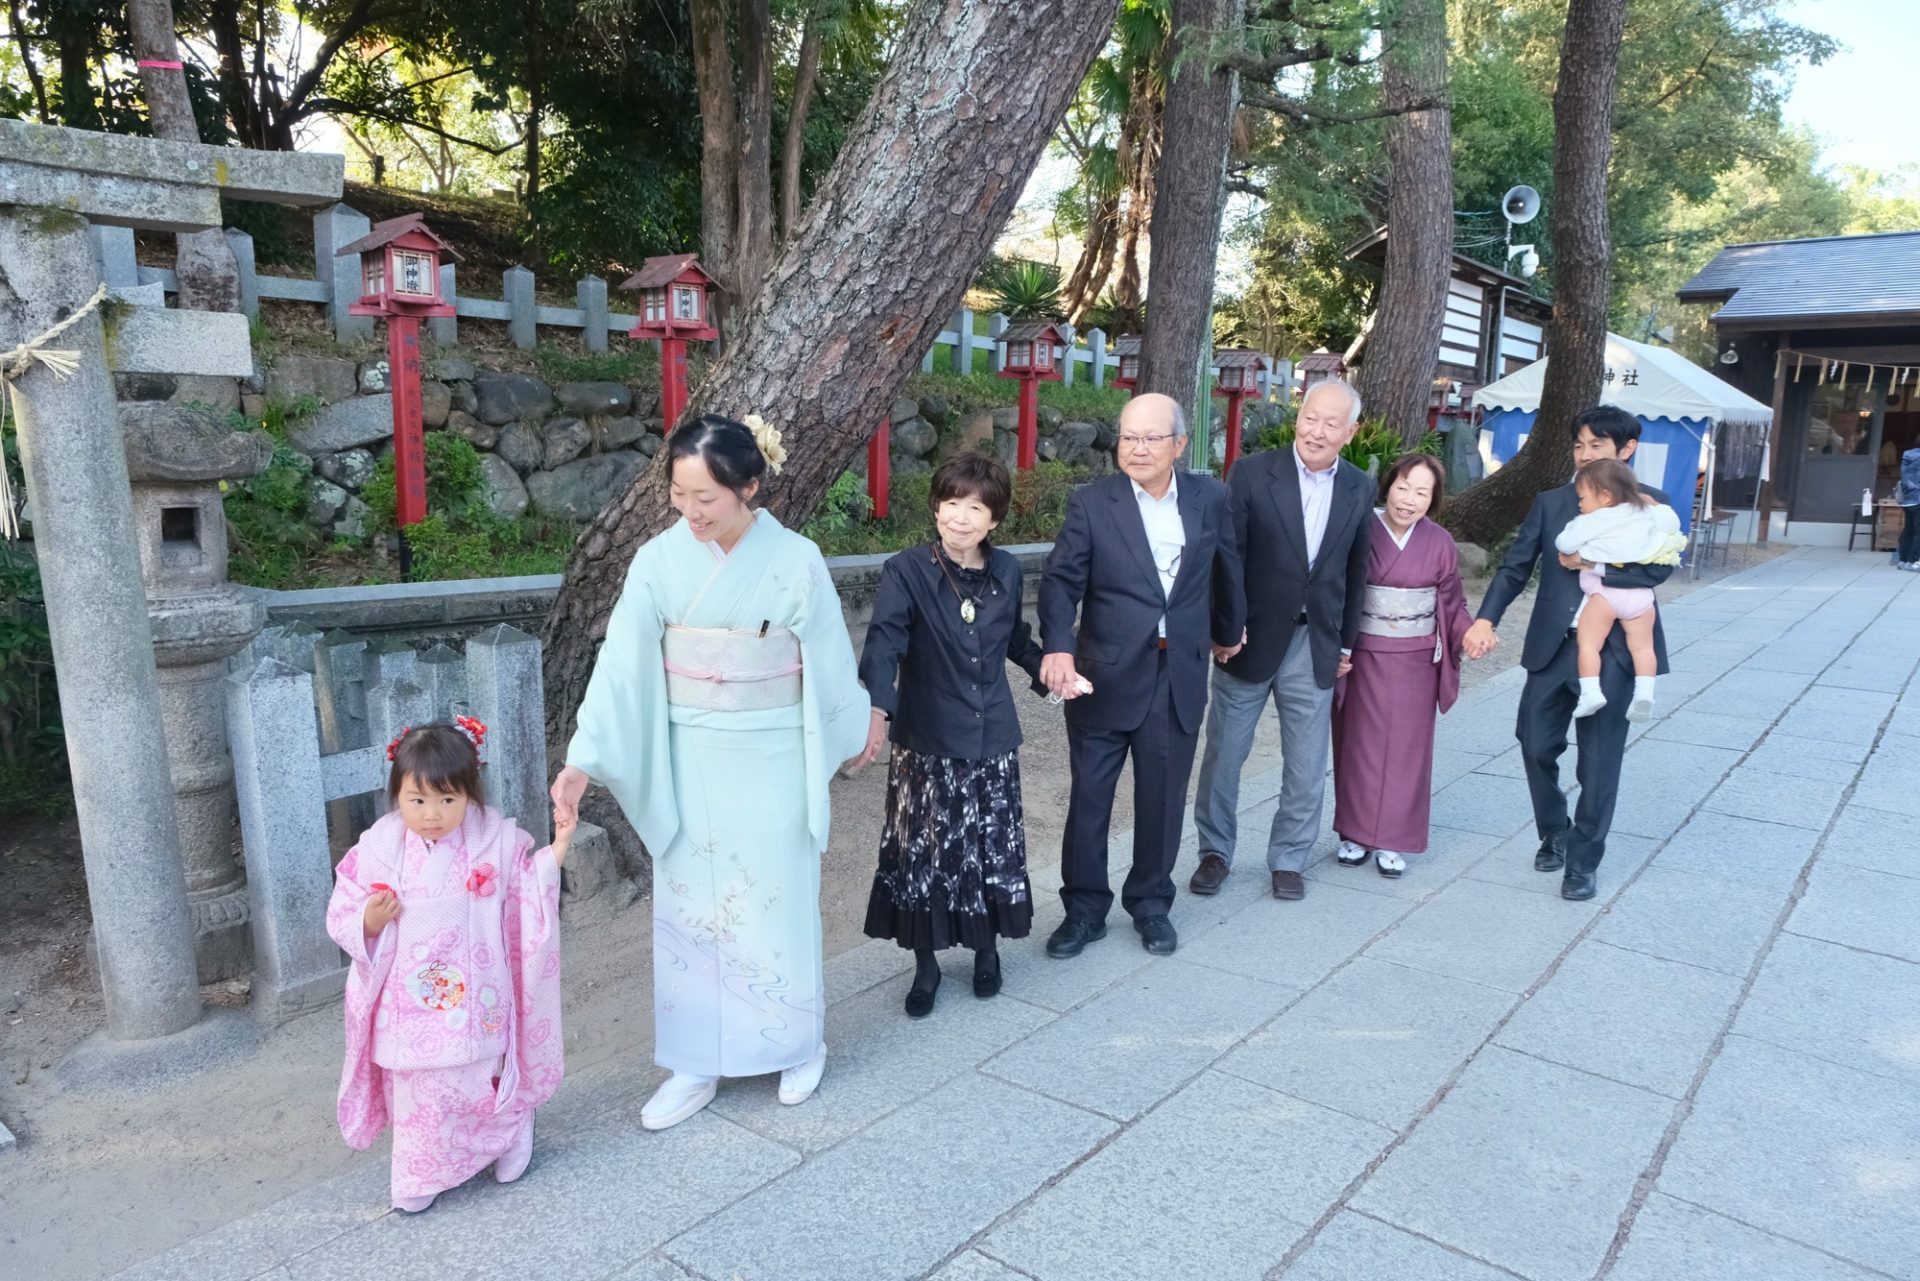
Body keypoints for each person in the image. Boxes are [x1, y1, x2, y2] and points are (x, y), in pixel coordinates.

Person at [549, 414, 870, 1131]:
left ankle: (797, 1041)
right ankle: (695, 1059)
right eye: (679, 494)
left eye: (707, 498)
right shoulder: (659, 562)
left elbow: (825, 662)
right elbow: (624, 668)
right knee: (693, 911)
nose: (690, 512)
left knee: (777, 902)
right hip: (690, 756)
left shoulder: (796, 559)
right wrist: (583, 761)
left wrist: (855, 724)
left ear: (750, 486)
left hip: (774, 753)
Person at [326, 719, 575, 1214]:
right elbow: (344, 908)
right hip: (408, 1003)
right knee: (420, 1093)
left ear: (470, 795)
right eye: (417, 801)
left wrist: (559, 847)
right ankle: (421, 1170)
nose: (432, 815)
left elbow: (528, 894)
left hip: (476, 992)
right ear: (396, 795)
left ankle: (509, 1128)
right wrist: (368, 922)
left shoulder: (497, 844)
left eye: (448, 800)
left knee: (475, 1078)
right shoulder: (376, 849)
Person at [1038, 392, 1243, 959]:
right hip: (1103, 673)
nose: (1138, 448)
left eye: (1152, 438)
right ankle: (1083, 910)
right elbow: (1060, 581)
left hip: (1176, 673)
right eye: (1129, 436)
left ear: (1178, 445)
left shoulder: (1210, 498)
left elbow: (1226, 569)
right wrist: (1057, 648)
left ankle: (1151, 905)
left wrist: (1230, 632)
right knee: (1090, 799)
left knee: (1162, 797)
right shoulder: (1092, 502)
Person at [857, 453, 1053, 1018]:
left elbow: (1015, 640)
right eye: (950, 504)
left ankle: (986, 950)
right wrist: (876, 710)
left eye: (975, 507)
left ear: (995, 518)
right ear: (935, 508)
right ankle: (926, 966)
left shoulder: (1009, 571)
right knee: (926, 854)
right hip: (927, 740)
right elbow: (884, 644)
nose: (960, 517)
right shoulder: (907, 571)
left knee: (987, 850)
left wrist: (1051, 673)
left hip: (992, 737)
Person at [1463, 405, 1674, 901]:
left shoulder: (1654, 505)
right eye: (1578, 446)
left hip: (1617, 652)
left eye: (1596, 447)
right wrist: (1485, 617)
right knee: (1535, 744)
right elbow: (1516, 566)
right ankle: (1553, 829)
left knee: (1599, 762)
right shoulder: (1554, 501)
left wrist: (1593, 561)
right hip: (1554, 648)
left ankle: (1582, 861)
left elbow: (1656, 571)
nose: (1583, 456)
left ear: (1626, 450)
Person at [1189, 379, 1374, 903]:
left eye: (1331, 423)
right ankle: (1214, 852)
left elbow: (1357, 570)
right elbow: (1227, 558)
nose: (1317, 430)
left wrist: (1346, 644)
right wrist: (1224, 628)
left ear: (1350, 431)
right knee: (1226, 754)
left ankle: (1289, 858)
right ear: (1300, 415)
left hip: (1314, 642)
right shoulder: (1251, 473)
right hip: (1247, 640)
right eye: (1311, 417)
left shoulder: (1360, 486)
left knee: (1307, 762)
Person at [1330, 454, 1476, 878]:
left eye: (1421, 492)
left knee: (1407, 752)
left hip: (1414, 661)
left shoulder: (1440, 542)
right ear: (1388, 486)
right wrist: (1334, 648)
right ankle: (1354, 834)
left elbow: (1452, 602)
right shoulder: (1360, 529)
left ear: (1433, 500)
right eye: (1403, 487)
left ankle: (1395, 839)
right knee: (1357, 745)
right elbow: (1335, 590)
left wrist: (1468, 632)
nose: (1409, 499)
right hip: (1362, 656)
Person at [1554, 457, 1686, 721]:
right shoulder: (1644, 511)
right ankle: (1645, 693)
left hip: (1605, 595)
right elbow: (1671, 524)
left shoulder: (1594, 520)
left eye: (1583, 498)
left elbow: (1565, 544)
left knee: (1589, 644)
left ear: (1604, 497)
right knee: (1643, 648)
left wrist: (1574, 535)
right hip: (1641, 597)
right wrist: (1657, 506)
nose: (1580, 504)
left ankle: (1591, 692)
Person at [1896, 441, 1920, 570]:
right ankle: (1913, 561)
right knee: (1918, 532)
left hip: (1907, 499)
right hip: (1919, 498)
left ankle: (1902, 560)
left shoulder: (1907, 456)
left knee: (1908, 530)